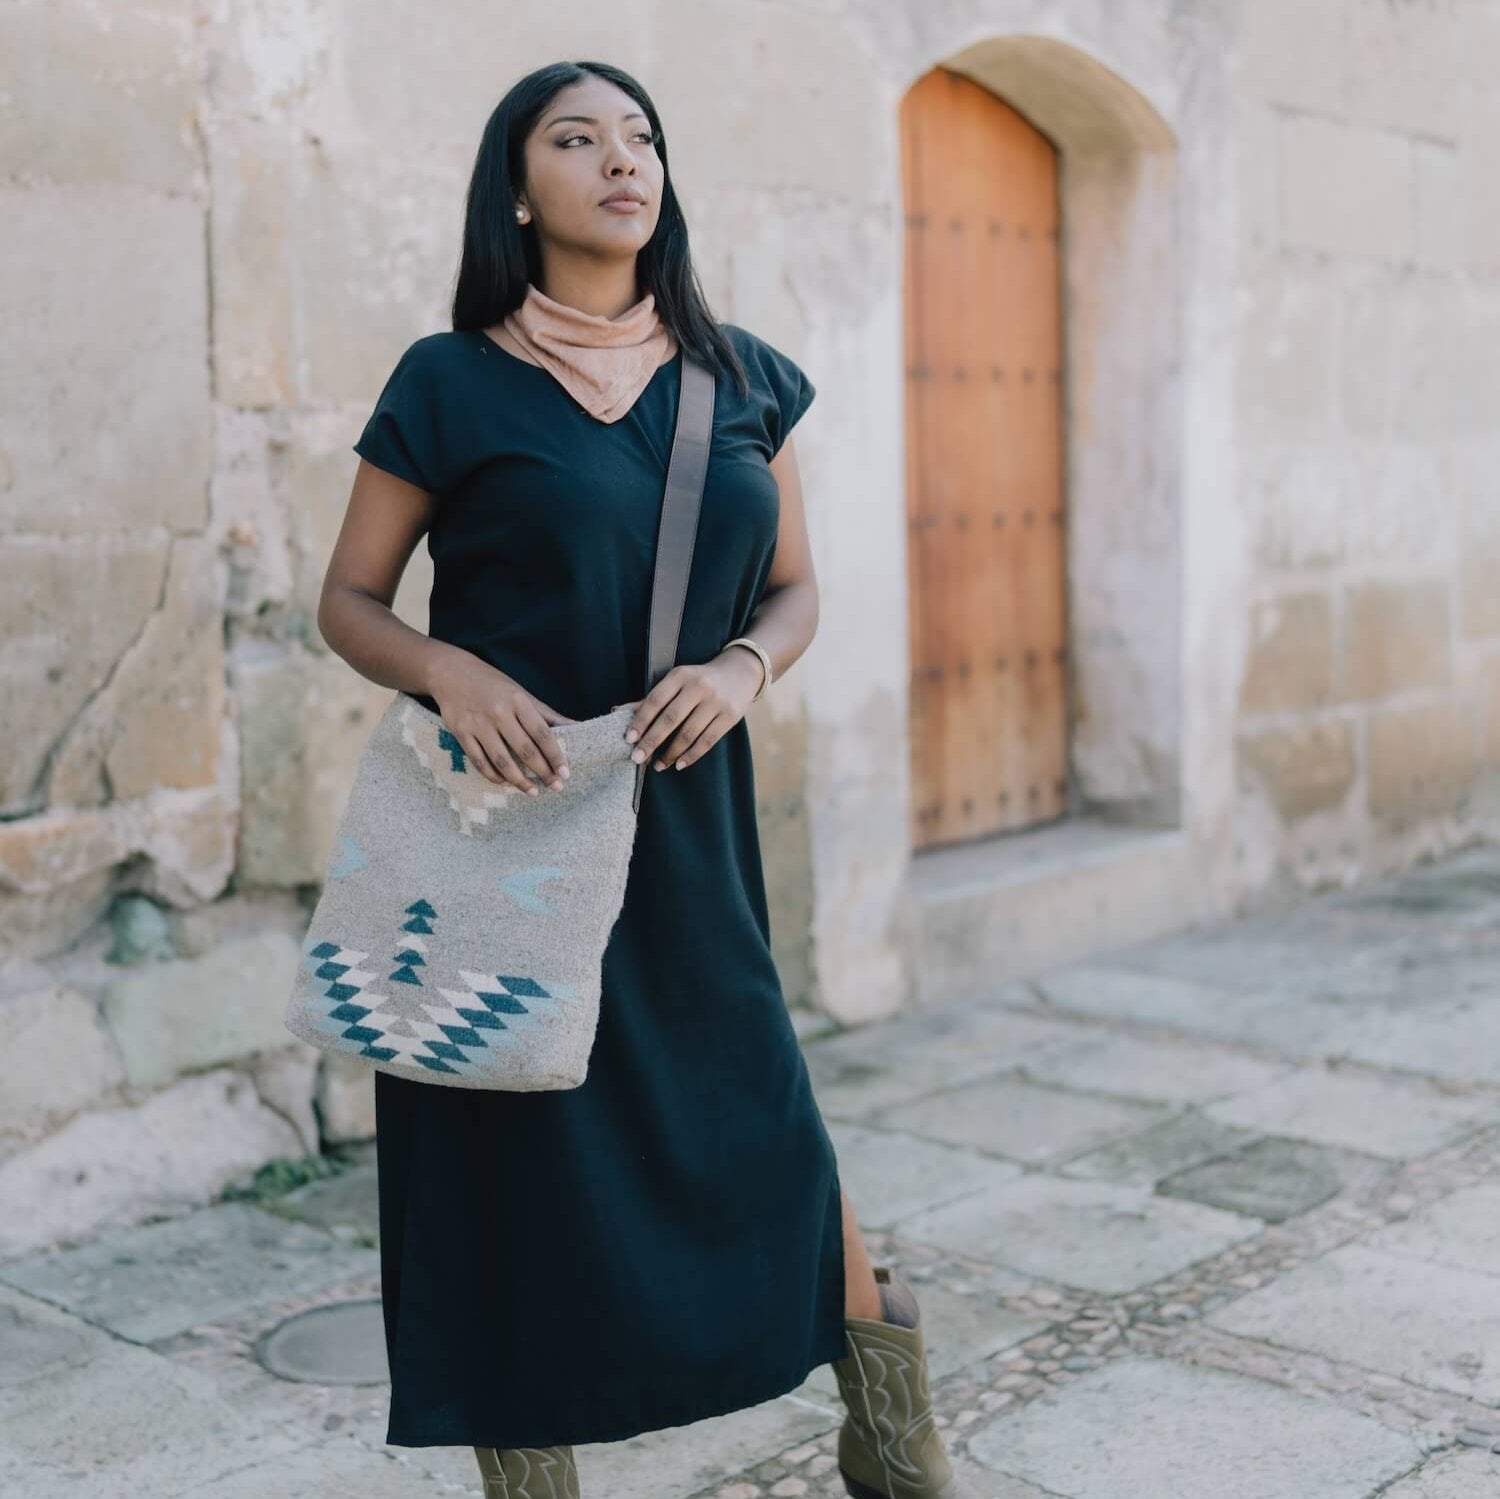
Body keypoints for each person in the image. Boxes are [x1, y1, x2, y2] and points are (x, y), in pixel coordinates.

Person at [316, 57, 978, 1499]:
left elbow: (795, 589)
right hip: (508, 819)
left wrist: (743, 670)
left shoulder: (740, 377)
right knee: (507, 1146)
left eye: (642, 139)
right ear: (518, 186)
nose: (623, 161)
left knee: (755, 1104)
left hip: (686, 820)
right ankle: (528, 1475)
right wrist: (451, 669)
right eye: (577, 138)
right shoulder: (449, 380)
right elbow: (351, 601)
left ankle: (893, 1415)